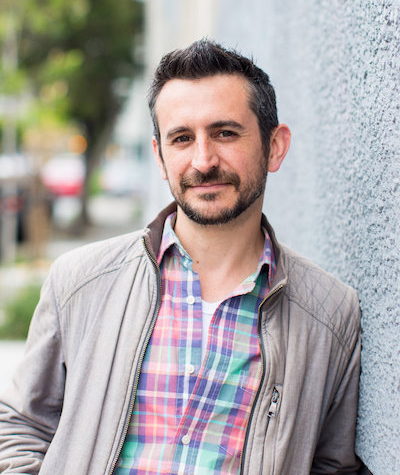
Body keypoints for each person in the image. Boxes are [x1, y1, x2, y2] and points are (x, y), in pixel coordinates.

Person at [0, 39, 361, 474]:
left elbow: (332, 466)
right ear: (159, 156)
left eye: (225, 133)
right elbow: (20, 427)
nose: (203, 161)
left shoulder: (330, 315)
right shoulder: (80, 283)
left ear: (275, 146)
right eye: (182, 138)